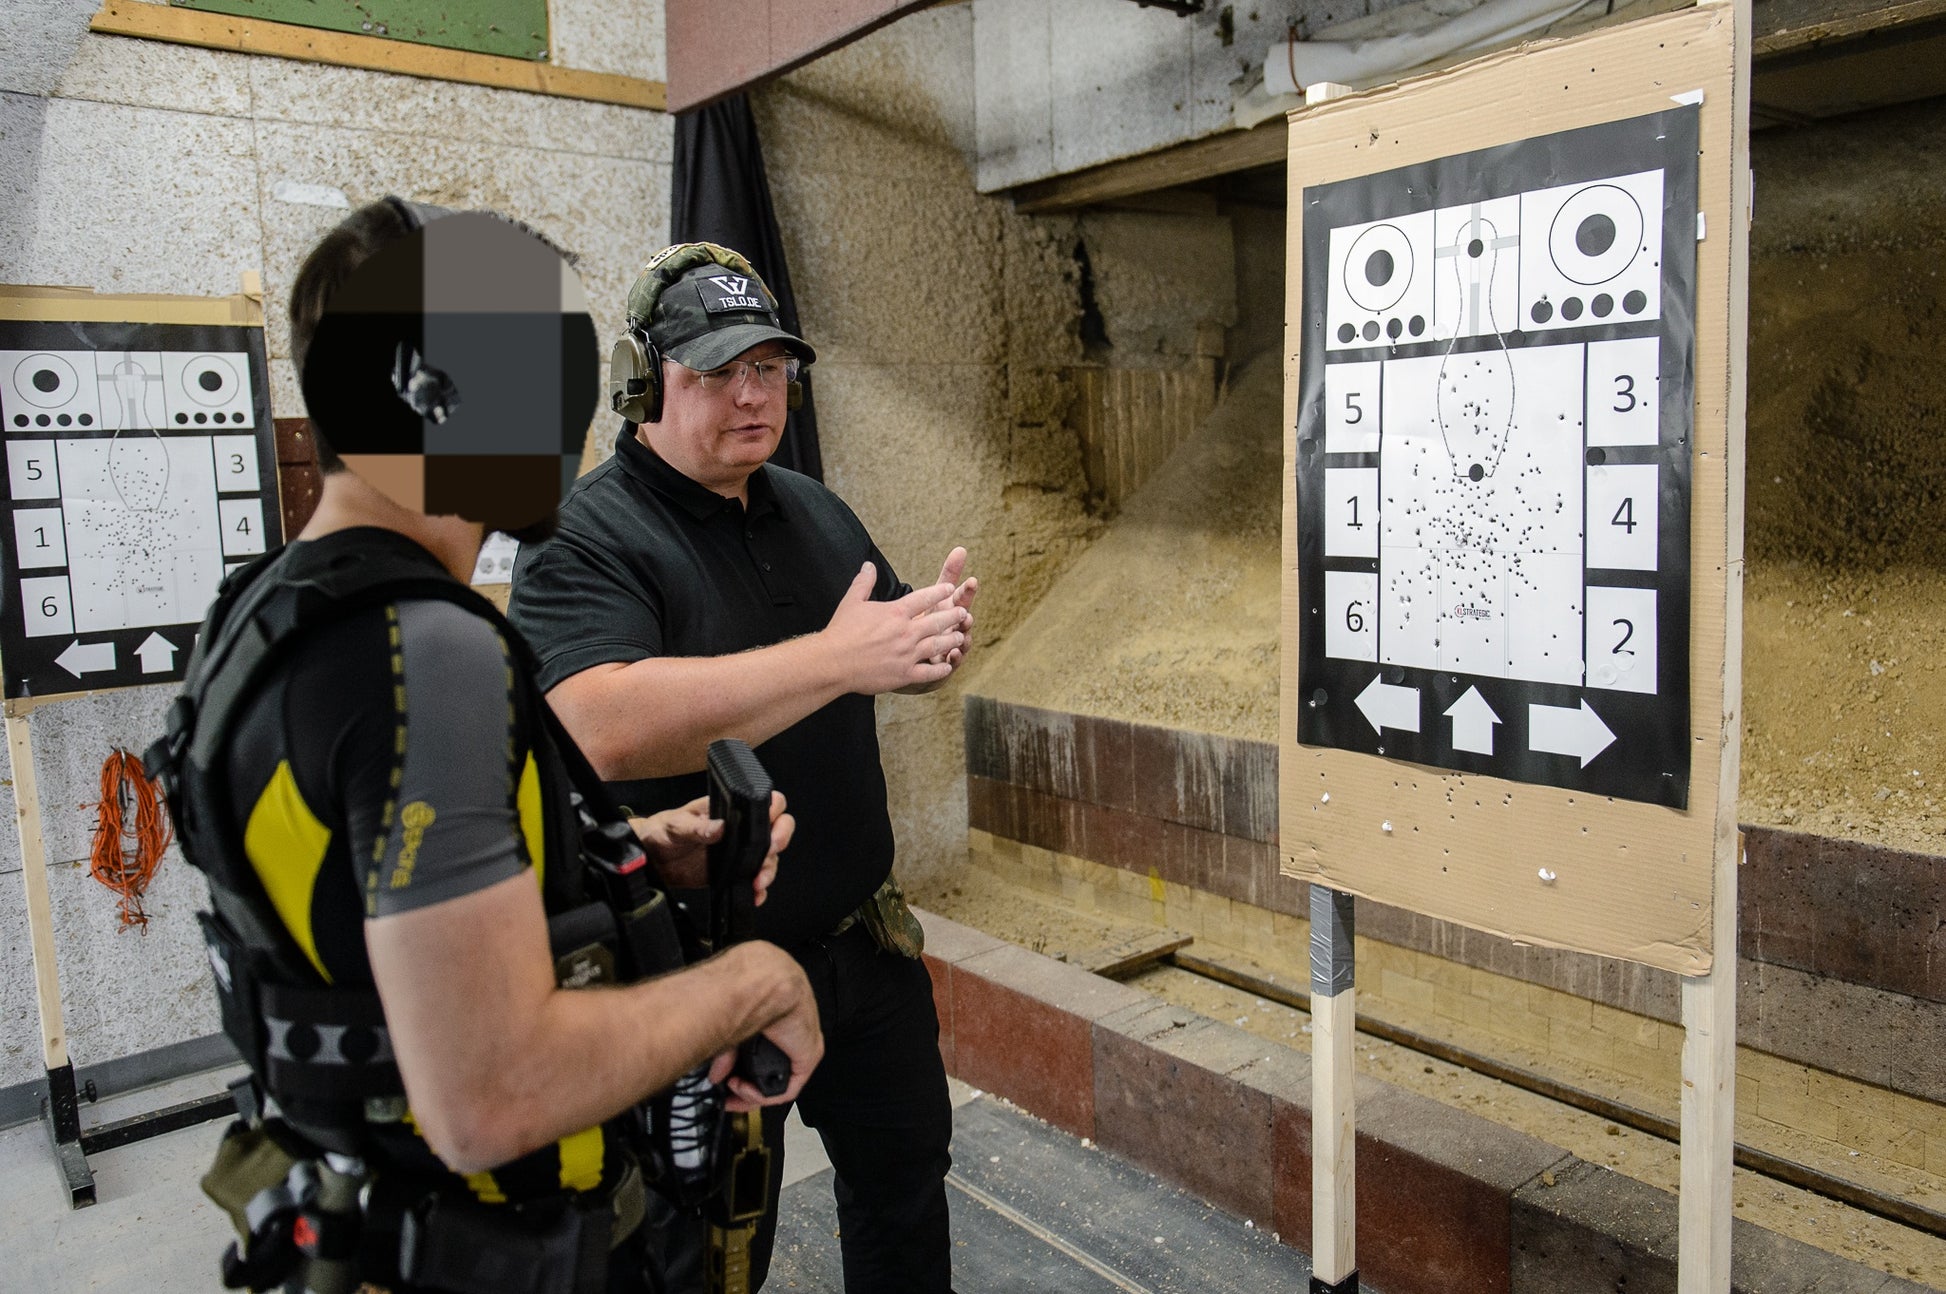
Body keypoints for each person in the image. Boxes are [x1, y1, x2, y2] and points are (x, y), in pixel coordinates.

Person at [150, 202, 822, 1294]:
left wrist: (630, 856)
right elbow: (489, 1092)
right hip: (496, 1250)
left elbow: (363, 902)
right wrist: (754, 981)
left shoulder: (266, 612)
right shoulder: (428, 657)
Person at [507, 242, 977, 1292]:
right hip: (697, 971)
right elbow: (595, 723)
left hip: (864, 941)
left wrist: (928, 648)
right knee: (705, 1248)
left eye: (767, 368)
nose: (751, 395)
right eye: (715, 371)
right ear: (644, 381)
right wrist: (836, 656)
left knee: (903, 1189)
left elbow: (884, 657)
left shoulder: (813, 508)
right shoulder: (586, 535)